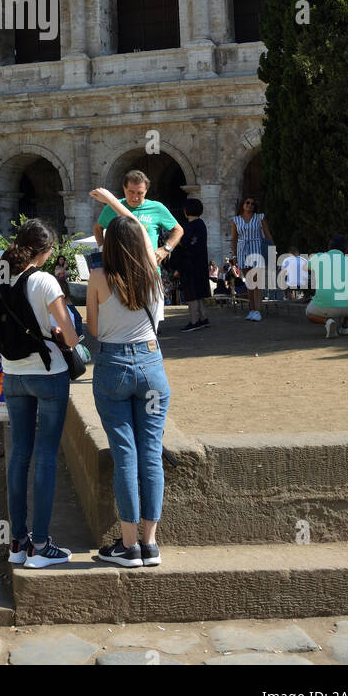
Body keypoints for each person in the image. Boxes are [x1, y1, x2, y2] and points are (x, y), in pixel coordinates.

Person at [0, 217, 79, 568]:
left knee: (19, 454)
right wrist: (59, 333)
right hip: (47, 372)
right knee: (45, 455)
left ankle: (17, 542)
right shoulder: (44, 281)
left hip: (12, 373)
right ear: (44, 251)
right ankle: (41, 546)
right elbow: (70, 337)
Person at [86, 187, 170, 566]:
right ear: (140, 240)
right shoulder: (152, 269)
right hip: (151, 369)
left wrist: (105, 201)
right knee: (151, 454)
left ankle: (129, 544)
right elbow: (136, 224)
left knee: (125, 455)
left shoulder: (99, 277)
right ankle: (151, 545)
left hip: (114, 370)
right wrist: (116, 205)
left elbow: (92, 329)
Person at [93, 170, 183, 280]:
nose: (135, 197)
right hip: (118, 273)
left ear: (146, 191)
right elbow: (98, 228)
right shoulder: (112, 207)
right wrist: (103, 249)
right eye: (131, 192)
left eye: (140, 193)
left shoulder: (157, 208)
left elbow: (178, 230)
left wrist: (165, 249)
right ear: (124, 188)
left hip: (148, 273)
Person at [305, 237, 348, 337]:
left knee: (309, 313)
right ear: (346, 250)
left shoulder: (319, 257)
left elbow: (307, 268)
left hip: (325, 304)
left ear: (328, 247)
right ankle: (346, 327)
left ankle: (327, 321)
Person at [231, 196, 274, 322]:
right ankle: (252, 310)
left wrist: (273, 250)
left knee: (256, 281)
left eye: (252, 204)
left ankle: (258, 310)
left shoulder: (260, 217)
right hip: (242, 250)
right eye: (247, 203)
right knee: (249, 282)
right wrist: (234, 255)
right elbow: (234, 239)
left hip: (257, 249)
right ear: (243, 204)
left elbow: (267, 234)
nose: (250, 205)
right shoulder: (236, 220)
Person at [177, 197, 211, 331]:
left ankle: (194, 321)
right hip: (200, 262)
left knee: (191, 294)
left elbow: (186, 243)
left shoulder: (191, 226)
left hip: (190, 263)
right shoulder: (201, 224)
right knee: (200, 293)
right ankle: (203, 318)